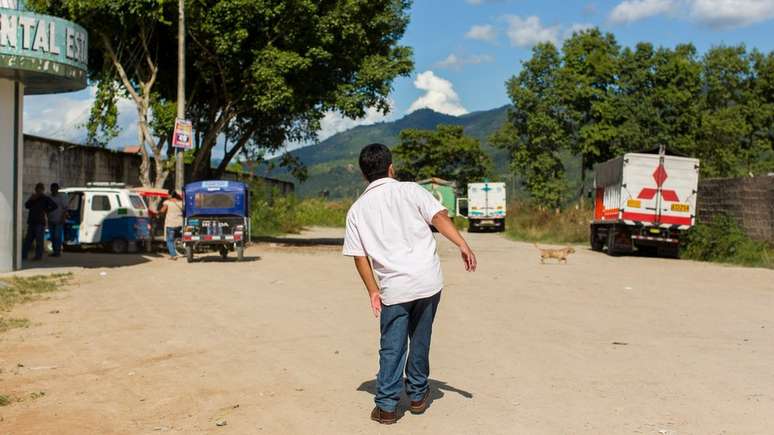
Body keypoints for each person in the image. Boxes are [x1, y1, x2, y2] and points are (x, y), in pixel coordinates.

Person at [343, 143, 477, 425]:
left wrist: (372, 290)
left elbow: (359, 256)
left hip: (395, 288)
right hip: (428, 281)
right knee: (420, 338)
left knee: (392, 346)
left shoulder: (357, 210)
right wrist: (462, 244)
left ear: (363, 174)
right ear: (391, 167)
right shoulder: (412, 190)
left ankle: (387, 407)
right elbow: (439, 217)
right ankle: (417, 396)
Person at [22, 183, 57, 261]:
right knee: (28, 240)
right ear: (36, 189)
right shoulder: (33, 197)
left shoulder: (45, 198)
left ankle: (38, 256)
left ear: (42, 190)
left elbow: (54, 206)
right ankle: (23, 255)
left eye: (40, 189)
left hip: (40, 222)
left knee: (39, 240)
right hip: (32, 221)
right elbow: (27, 205)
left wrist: (46, 210)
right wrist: (32, 199)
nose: (39, 190)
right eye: (38, 189)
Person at [159, 190, 184, 260]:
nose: (167, 196)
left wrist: (158, 212)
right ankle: (183, 250)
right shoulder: (181, 203)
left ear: (170, 195)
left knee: (169, 240)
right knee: (180, 237)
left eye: (168, 195)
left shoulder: (167, 202)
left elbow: (162, 211)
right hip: (180, 224)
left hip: (170, 224)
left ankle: (173, 255)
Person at [47, 183, 69, 257]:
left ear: (57, 189)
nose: (53, 190)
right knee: (52, 236)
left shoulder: (61, 197)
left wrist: (63, 218)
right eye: (52, 188)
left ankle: (58, 251)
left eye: (54, 188)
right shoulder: (49, 197)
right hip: (51, 219)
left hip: (59, 220)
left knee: (57, 236)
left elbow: (65, 208)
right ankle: (54, 251)